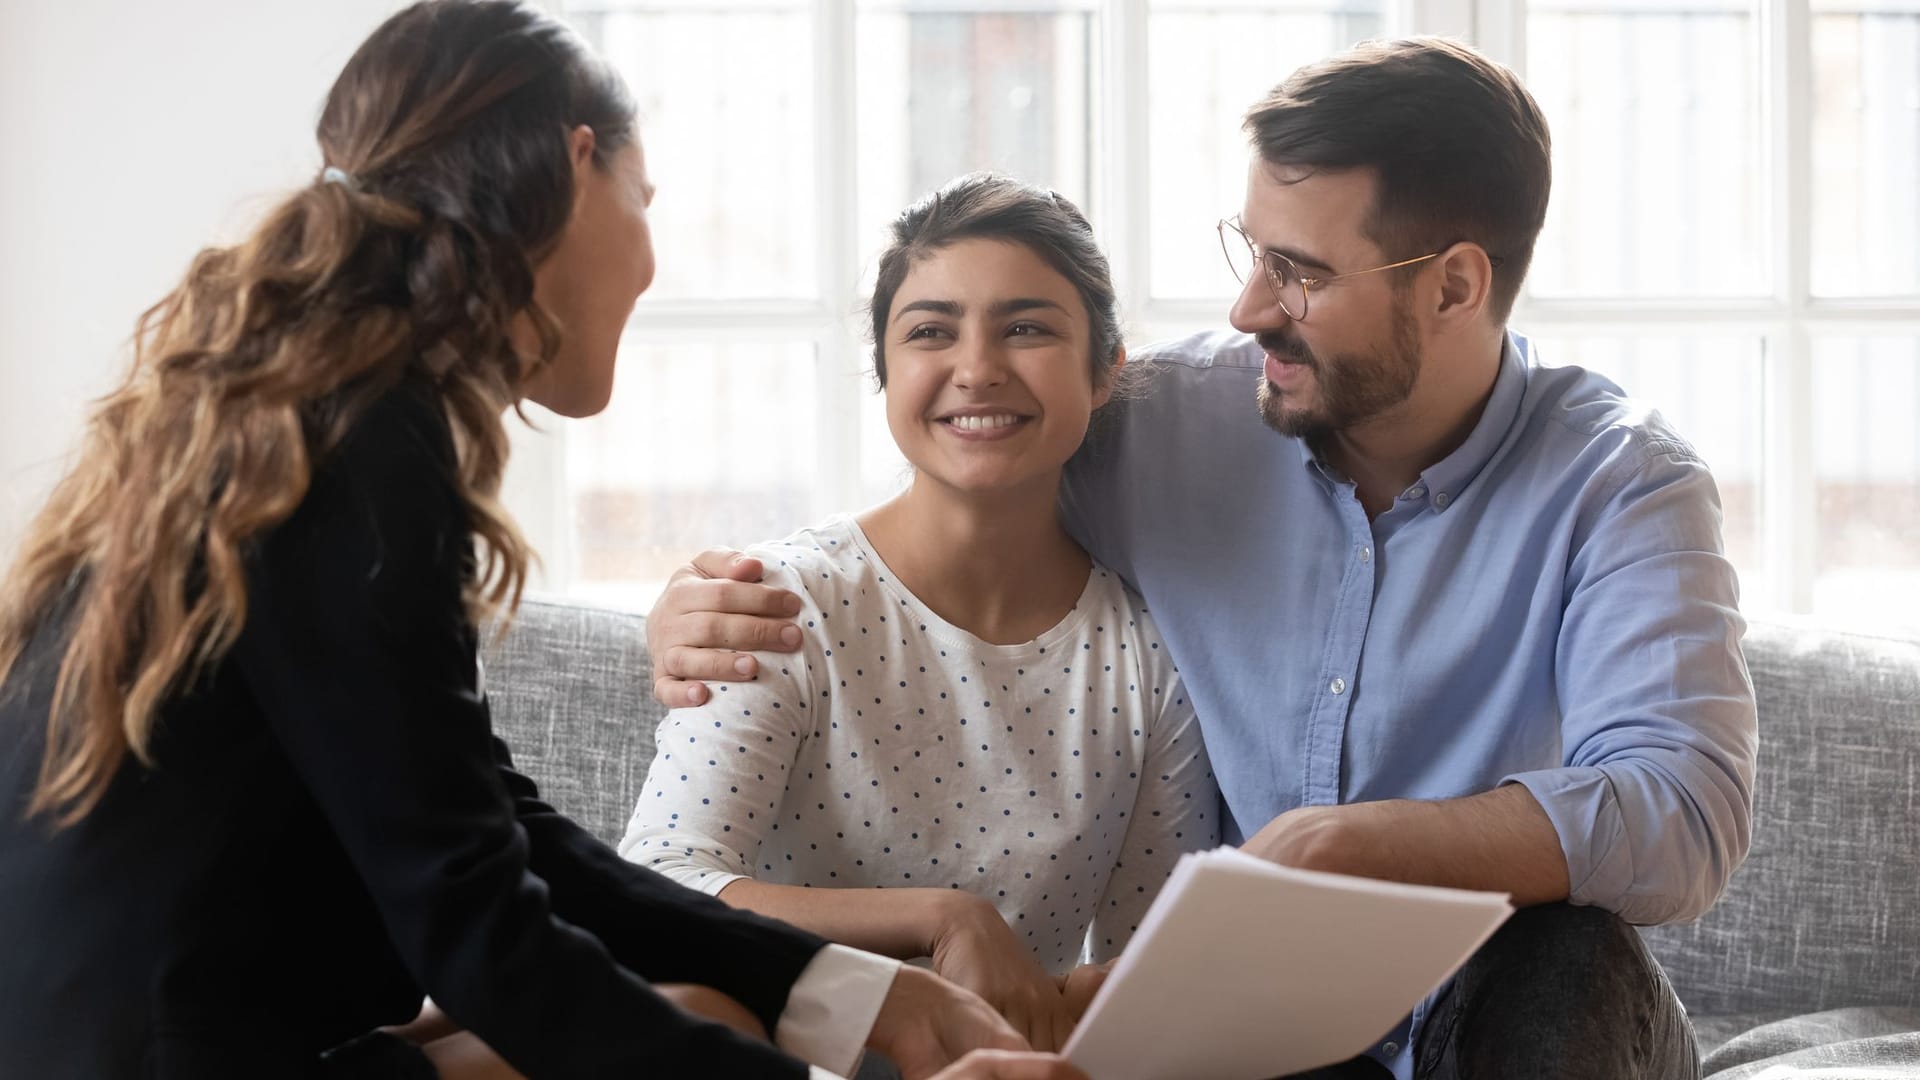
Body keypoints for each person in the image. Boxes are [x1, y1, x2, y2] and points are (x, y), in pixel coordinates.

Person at [0, 4, 1088, 1079]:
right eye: (645, 199)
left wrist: (851, 992)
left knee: (708, 1005)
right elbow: (471, 918)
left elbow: (506, 840)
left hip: (153, 1034)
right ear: (578, 166)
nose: (655, 259)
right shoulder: (359, 441)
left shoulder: (310, 408)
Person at [642, 37, 1758, 1080]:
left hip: (1507, 1008)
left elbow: (1681, 812)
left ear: (1456, 285)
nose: (1248, 305)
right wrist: (700, 602)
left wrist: (1358, 845)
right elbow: (966, 478)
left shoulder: (1623, 484)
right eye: (1251, 250)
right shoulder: (1157, 424)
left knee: (1569, 951)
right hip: (1259, 1034)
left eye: (1302, 272)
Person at [616, 174, 1219, 1053]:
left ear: (1104, 374)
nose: (976, 368)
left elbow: (1140, 978)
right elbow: (656, 883)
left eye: (1027, 328)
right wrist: (941, 920)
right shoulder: (783, 604)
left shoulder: (1147, 658)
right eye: (931, 331)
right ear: (887, 370)